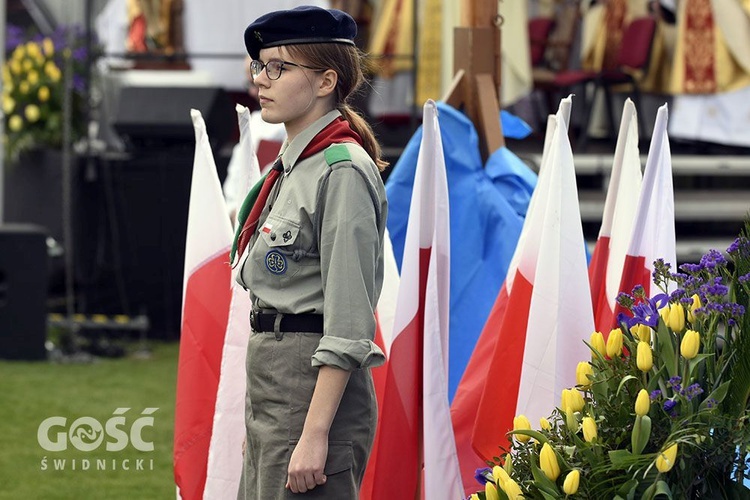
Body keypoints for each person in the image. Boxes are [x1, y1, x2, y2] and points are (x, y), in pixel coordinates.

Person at [231, 6, 389, 499]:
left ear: (326, 81)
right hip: (276, 383)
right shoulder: (295, 165)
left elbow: (347, 324)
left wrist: (315, 433)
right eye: (260, 66)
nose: (263, 79)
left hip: (311, 385)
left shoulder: (340, 171)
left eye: (279, 67)